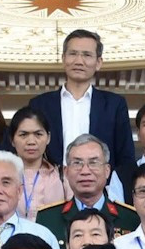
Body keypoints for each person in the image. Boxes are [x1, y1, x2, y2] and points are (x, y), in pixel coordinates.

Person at [22, 28, 136, 172]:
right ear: (63, 59)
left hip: (100, 187)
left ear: (99, 62)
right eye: (73, 54)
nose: (79, 61)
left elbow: (125, 156)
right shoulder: (39, 105)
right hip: (51, 186)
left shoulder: (114, 105)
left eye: (87, 55)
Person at [34, 134, 140, 240]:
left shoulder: (131, 218)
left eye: (93, 163)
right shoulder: (47, 218)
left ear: (107, 171)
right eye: (77, 163)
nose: (85, 171)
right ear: (66, 172)